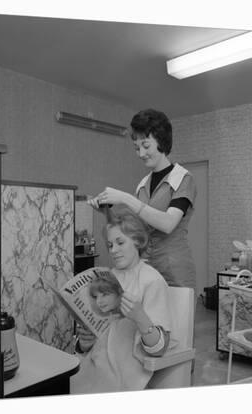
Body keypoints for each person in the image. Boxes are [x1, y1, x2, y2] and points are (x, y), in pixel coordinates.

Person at [88, 108, 197, 288]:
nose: (140, 154)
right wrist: (106, 211)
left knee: (173, 316)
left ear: (161, 141)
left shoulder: (183, 178)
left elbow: (168, 224)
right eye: (137, 148)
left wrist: (125, 198)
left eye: (146, 146)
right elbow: (135, 229)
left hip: (174, 269)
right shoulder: (143, 184)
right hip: (145, 267)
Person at [70, 208, 173, 394]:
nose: (114, 250)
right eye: (110, 245)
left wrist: (140, 316)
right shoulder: (107, 277)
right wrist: (85, 341)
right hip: (92, 364)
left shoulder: (152, 281)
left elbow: (159, 348)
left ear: (138, 241)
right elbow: (94, 338)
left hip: (123, 373)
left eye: (120, 242)